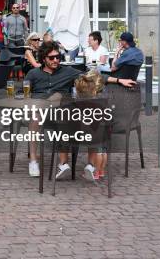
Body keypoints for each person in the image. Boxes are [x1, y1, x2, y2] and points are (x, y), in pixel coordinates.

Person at [24, 41, 135, 179]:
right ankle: (33, 161)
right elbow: (23, 92)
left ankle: (69, 165)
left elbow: (92, 76)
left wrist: (118, 81)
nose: (56, 60)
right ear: (43, 58)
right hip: (40, 110)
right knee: (36, 117)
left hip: (61, 112)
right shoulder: (33, 73)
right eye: (51, 58)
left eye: (58, 57)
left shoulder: (67, 71)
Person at [74, 70, 108, 181]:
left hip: (90, 131)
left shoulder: (83, 101)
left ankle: (95, 172)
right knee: (102, 150)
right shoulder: (102, 99)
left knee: (98, 150)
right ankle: (101, 171)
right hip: (103, 129)